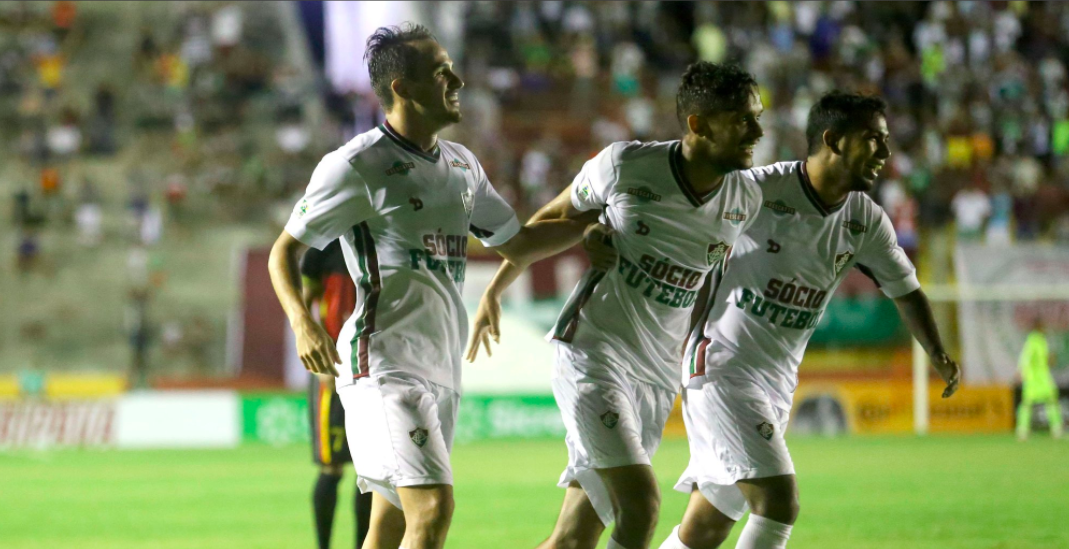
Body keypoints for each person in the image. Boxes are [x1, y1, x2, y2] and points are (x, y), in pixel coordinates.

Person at [268, 24, 601, 549]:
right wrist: (302, 323)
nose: (458, 79)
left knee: (390, 524)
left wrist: (596, 220)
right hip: (382, 362)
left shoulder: (463, 165)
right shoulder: (356, 165)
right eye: (441, 71)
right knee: (434, 508)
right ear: (401, 87)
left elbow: (517, 244)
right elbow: (283, 251)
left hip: (439, 364)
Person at [467, 62, 766, 549]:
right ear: (697, 124)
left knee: (574, 538)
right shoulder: (626, 165)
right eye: (741, 119)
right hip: (593, 352)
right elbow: (548, 224)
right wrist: (496, 287)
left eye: (758, 116)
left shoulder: (746, 197)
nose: (757, 130)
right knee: (642, 505)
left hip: (657, 374)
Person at [657, 92, 962, 549]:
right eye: (872, 140)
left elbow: (906, 289)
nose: (885, 152)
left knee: (706, 526)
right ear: (833, 140)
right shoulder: (756, 191)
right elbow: (680, 219)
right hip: (721, 367)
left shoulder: (864, 220)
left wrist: (937, 351)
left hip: (775, 381)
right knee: (779, 501)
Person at [300, 240, 371, 549]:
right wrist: (317, 357)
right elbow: (303, 305)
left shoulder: (380, 238)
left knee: (370, 471)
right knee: (331, 468)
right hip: (332, 369)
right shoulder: (323, 250)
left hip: (374, 369)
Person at [1017, 317, 1063, 440]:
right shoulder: (1032, 341)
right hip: (1033, 377)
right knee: (1027, 403)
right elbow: (1026, 357)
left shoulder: (1042, 341)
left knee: (1051, 400)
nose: (1045, 328)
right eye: (1043, 326)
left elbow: (1045, 360)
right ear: (1038, 327)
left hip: (1043, 376)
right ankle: (1022, 430)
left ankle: (1056, 428)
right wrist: (1022, 372)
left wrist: (1051, 359)